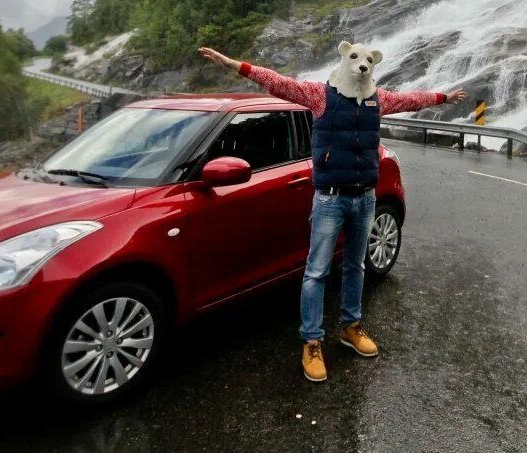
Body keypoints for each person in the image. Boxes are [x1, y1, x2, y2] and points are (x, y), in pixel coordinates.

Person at [198, 43, 465, 382]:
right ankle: (311, 341)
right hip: (330, 198)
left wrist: (442, 97)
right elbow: (277, 82)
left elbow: (411, 99)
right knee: (317, 271)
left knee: (356, 265)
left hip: (365, 196)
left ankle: (350, 327)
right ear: (344, 59)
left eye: (369, 60)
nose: (363, 64)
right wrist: (232, 63)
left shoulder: (378, 99)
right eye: (356, 58)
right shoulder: (320, 96)